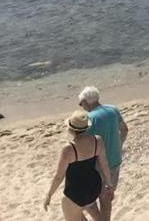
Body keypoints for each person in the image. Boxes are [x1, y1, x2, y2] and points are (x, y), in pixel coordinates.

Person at [44, 110, 115, 220]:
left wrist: (49, 195)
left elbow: (59, 176)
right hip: (93, 188)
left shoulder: (68, 149)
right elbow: (104, 166)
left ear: (71, 129)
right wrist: (110, 186)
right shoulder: (97, 140)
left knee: (70, 209)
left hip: (75, 193)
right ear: (87, 127)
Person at [78, 87, 127, 219]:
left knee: (84, 202)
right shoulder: (113, 110)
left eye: (81, 103)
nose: (81, 106)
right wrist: (119, 146)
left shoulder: (89, 118)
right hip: (115, 162)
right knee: (106, 200)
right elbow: (124, 130)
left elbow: (84, 146)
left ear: (86, 102)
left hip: (98, 166)